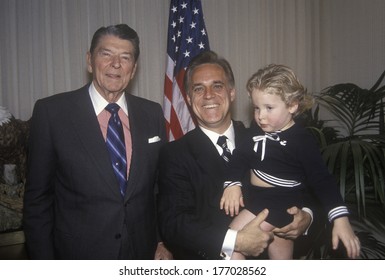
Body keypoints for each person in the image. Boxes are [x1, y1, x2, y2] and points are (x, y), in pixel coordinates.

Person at [23, 24, 172, 260]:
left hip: (141, 253)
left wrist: (162, 240)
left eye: (125, 57)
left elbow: (158, 190)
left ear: (133, 69)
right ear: (90, 61)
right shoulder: (52, 113)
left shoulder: (152, 113)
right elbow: (37, 201)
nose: (116, 64)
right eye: (106, 54)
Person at [157, 51, 312, 260]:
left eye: (217, 86)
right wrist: (235, 241)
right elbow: (174, 223)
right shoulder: (175, 154)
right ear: (188, 98)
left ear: (232, 93)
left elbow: (311, 190)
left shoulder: (270, 139)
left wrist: (307, 218)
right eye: (198, 89)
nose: (209, 95)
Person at [221, 64, 361, 259]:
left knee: (233, 241)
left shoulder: (302, 140)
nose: (260, 116)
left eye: (269, 108)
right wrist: (232, 184)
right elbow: (240, 157)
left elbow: (322, 180)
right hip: (260, 198)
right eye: (256, 108)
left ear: (292, 105)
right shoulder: (256, 128)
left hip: (280, 202)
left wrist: (340, 218)